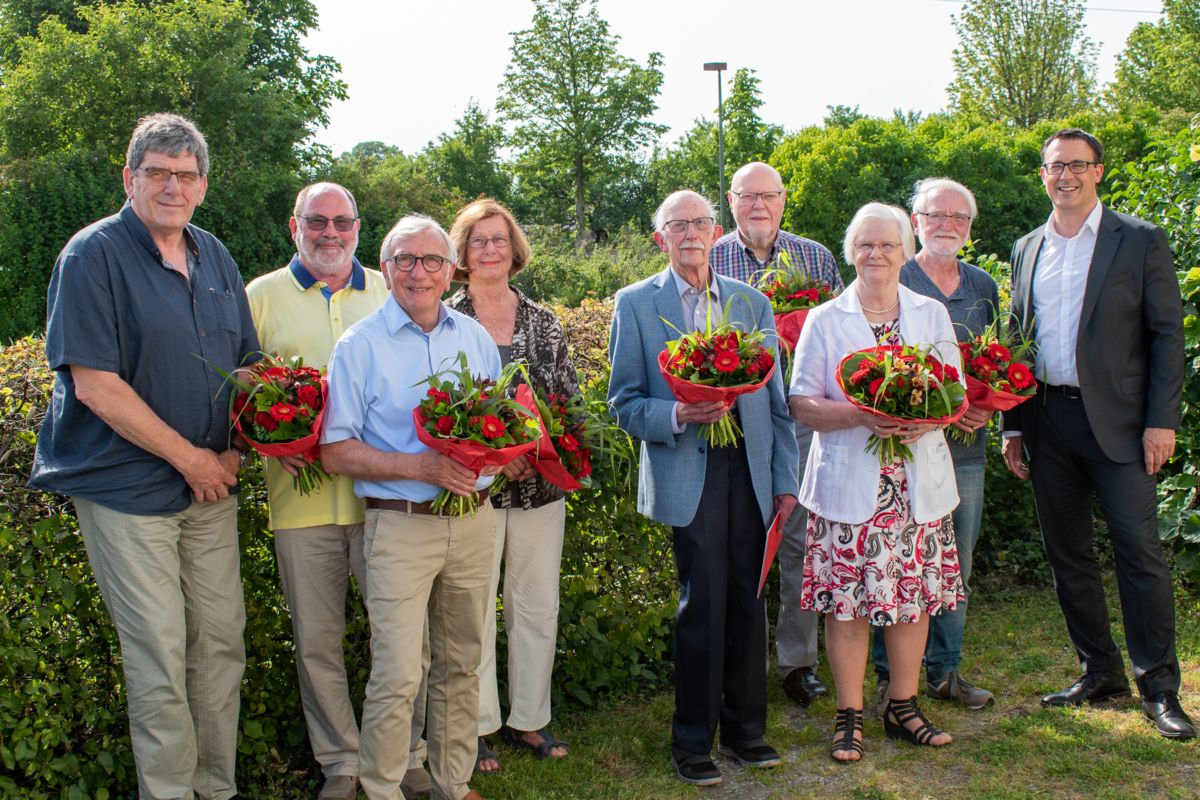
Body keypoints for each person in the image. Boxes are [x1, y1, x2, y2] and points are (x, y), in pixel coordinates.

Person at [28, 113, 258, 800]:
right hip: (128, 490)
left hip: (212, 487)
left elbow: (246, 366)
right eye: (157, 172)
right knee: (159, 657)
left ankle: (215, 790)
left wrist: (244, 447)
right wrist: (190, 457)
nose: (171, 186)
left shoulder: (214, 255)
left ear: (202, 186)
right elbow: (95, 385)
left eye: (185, 176)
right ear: (130, 178)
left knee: (220, 648)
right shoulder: (90, 256)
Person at [1002, 128, 1193, 740]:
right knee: (1069, 555)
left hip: (1121, 424)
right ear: (1042, 174)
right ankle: (1098, 670)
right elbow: (1014, 339)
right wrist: (1011, 422)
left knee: (1139, 553)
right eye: (1055, 166)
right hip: (1046, 420)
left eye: (1077, 166)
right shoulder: (1026, 247)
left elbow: (1168, 335)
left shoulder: (1138, 240)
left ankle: (1160, 686)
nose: (1066, 176)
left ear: (1098, 172)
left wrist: (1162, 421)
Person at [607, 190, 799, 786]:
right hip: (688, 470)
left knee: (749, 596)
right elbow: (623, 403)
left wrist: (785, 483)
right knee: (703, 602)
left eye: (699, 223)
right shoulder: (637, 304)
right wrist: (678, 417)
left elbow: (778, 405)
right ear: (660, 237)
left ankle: (746, 732)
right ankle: (692, 742)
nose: (690, 233)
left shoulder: (752, 302)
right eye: (676, 225)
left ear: (717, 231)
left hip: (751, 470)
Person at [246, 183, 430, 799]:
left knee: (403, 642)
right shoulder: (260, 297)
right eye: (317, 221)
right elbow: (241, 389)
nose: (330, 233)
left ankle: (408, 754)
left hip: (387, 500)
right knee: (318, 643)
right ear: (293, 225)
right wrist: (271, 434)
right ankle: (342, 763)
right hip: (301, 505)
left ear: (358, 227)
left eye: (342, 222)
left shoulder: (390, 289)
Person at [320, 214, 501, 800]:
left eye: (431, 261)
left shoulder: (473, 338)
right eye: (404, 260)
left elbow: (498, 427)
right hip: (401, 526)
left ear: (452, 271)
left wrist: (497, 458)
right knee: (398, 673)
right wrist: (420, 466)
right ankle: (381, 788)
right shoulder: (360, 345)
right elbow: (335, 449)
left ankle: (452, 782)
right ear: (386, 265)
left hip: (472, 524)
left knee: (462, 664)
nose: (418, 273)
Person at [789, 202, 964, 762]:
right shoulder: (824, 318)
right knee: (848, 606)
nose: (876, 254)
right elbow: (800, 404)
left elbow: (953, 393)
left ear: (904, 250)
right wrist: (860, 415)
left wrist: (923, 417)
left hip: (915, 490)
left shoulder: (930, 314)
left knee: (910, 601)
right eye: (865, 244)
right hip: (848, 489)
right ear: (850, 252)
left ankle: (903, 706)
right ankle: (849, 715)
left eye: (887, 244)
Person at [445, 199, 577, 772]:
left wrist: (531, 451)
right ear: (462, 252)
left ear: (514, 248)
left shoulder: (542, 320)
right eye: (479, 241)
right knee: (470, 609)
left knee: (535, 604)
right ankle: (471, 727)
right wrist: (494, 457)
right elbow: (441, 405)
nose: (491, 249)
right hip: (470, 488)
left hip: (538, 488)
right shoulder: (445, 316)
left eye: (499, 239)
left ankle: (531, 718)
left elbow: (565, 398)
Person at [709, 161, 842, 707]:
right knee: (729, 544)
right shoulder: (708, 255)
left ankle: (797, 662)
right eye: (747, 195)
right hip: (730, 425)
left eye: (769, 195)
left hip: (803, 420)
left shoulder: (816, 257)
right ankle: (729, 657)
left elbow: (841, 329)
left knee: (800, 542)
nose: (759, 205)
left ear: (784, 200)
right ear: (732, 201)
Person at [871, 179, 997, 713]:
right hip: (901, 451)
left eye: (959, 217)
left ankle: (945, 670)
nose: (947, 225)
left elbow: (996, 359)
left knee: (953, 564)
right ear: (915, 222)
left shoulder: (983, 285)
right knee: (888, 561)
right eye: (935, 215)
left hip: (964, 451)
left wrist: (990, 406)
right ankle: (885, 675)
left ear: (969, 228)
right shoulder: (895, 275)